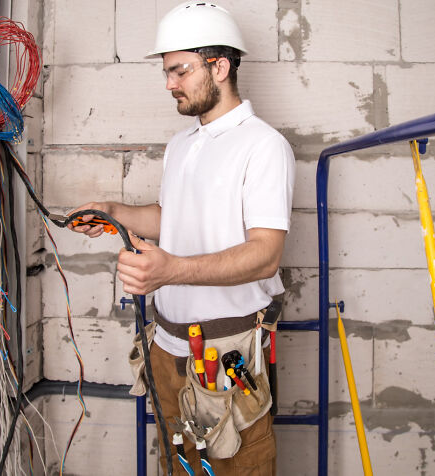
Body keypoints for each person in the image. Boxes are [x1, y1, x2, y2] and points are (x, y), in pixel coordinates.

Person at [68, 2, 295, 474]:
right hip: (167, 350)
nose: (169, 83)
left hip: (227, 356)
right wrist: (114, 211)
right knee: (181, 466)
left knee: (240, 464)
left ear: (220, 67)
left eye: (180, 70)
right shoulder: (183, 145)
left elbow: (265, 256)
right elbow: (173, 217)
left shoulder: (263, 146)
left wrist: (171, 269)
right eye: (167, 71)